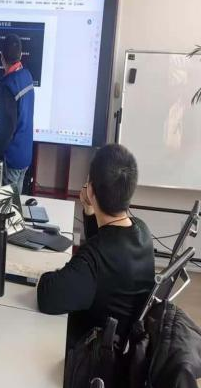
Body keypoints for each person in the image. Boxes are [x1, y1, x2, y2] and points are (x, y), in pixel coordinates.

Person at [37, 144, 155, 348]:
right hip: (122, 344)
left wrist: (49, 274)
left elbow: (47, 297)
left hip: (92, 353)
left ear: (90, 189)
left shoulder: (95, 258)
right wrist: (90, 211)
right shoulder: (142, 231)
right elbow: (105, 240)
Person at [0, 34, 35, 193]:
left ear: (1, 57)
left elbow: (6, 128)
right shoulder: (27, 77)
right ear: (21, 55)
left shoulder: (7, 88)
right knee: (15, 203)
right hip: (24, 155)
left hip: (10, 158)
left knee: (5, 206)